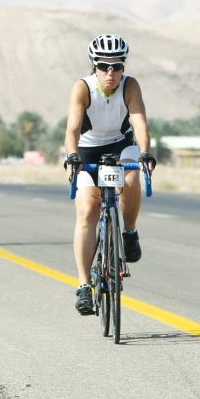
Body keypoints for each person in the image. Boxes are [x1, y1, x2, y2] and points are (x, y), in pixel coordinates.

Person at [63, 34, 156, 315]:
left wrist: (145, 153)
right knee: (88, 210)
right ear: (94, 65)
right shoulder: (83, 87)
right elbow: (72, 130)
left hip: (120, 145)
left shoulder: (130, 86)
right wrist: (72, 156)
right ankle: (84, 285)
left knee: (131, 177)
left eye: (117, 66)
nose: (110, 73)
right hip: (87, 150)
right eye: (104, 66)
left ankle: (129, 232)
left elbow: (140, 123)